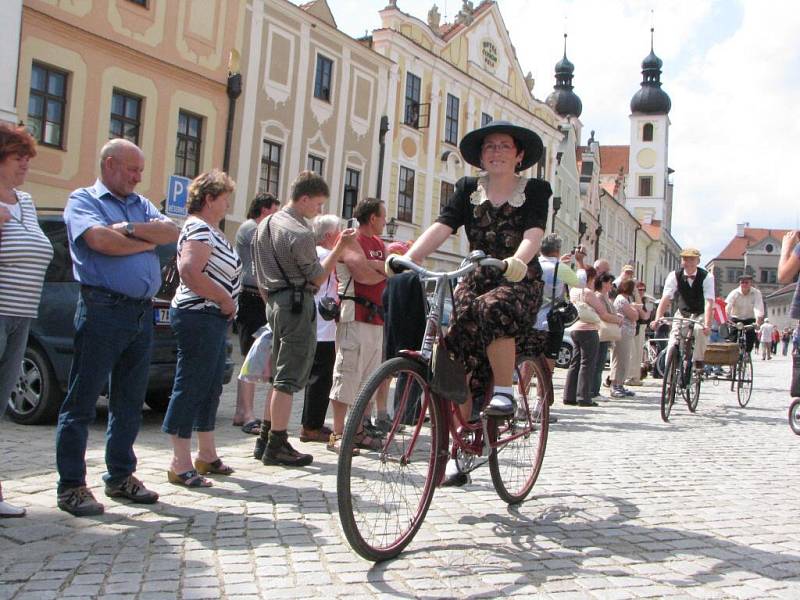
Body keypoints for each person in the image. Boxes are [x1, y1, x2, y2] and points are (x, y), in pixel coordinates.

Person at [387, 120, 551, 486]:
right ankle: (459, 444)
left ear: (519, 154)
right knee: (451, 345)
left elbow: (534, 232)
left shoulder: (536, 190)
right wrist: (407, 259)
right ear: (480, 156)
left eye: (504, 146)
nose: (496, 152)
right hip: (477, 275)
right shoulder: (467, 189)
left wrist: (519, 261)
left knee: (493, 310)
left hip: (517, 277)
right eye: (489, 147)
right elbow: (442, 226)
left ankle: (505, 392)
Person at [56, 138, 179, 516]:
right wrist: (140, 242)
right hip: (102, 309)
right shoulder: (84, 200)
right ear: (109, 164)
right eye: (132, 169)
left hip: (139, 313)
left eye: (141, 170)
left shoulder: (138, 205)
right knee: (83, 399)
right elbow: (98, 240)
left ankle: (121, 475)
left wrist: (125, 229)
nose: (138, 177)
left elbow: (170, 232)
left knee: (129, 401)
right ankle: (72, 485)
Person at [251, 171, 356, 467]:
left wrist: (272, 303)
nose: (319, 211)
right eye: (318, 204)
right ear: (305, 198)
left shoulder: (265, 225)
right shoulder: (298, 233)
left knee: (277, 374)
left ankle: (265, 437)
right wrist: (339, 248)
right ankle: (278, 444)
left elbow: (259, 275)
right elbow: (319, 277)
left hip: (273, 301)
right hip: (296, 303)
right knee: (287, 378)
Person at [162, 170, 241, 488]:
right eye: (224, 198)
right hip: (199, 315)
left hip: (213, 317)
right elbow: (189, 270)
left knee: (210, 385)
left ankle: (206, 453)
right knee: (191, 383)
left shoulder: (210, 230)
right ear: (209, 199)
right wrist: (223, 297)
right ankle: (179, 461)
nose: (227, 205)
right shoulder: (198, 228)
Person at [0, 123, 53, 518]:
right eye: (19, 158)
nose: (25, 166)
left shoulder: (26, 201)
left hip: (22, 315)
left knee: (1, 403)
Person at [327, 199, 388, 453]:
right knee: (347, 374)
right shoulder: (351, 238)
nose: (385, 221)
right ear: (372, 218)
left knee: (368, 378)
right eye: (383, 216)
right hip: (355, 314)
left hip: (375, 317)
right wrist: (382, 271)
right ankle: (338, 433)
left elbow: (382, 271)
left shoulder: (378, 244)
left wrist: (378, 269)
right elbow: (362, 274)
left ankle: (359, 430)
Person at [233, 192, 280, 434]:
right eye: (274, 211)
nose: (276, 218)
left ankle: (243, 411)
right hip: (251, 297)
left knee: (256, 355)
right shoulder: (251, 228)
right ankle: (246, 412)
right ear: (263, 210)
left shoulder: (255, 228)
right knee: (251, 355)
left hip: (258, 297)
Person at [298, 214, 340, 444]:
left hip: (318, 323)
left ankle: (312, 422)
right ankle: (311, 425)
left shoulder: (317, 253)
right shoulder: (325, 254)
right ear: (328, 235)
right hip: (323, 325)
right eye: (338, 231)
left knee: (319, 376)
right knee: (321, 377)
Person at [651, 248, 715, 374]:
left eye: (692, 259)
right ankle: (669, 379)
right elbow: (666, 297)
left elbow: (709, 302)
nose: (688, 262)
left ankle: (698, 360)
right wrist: (657, 318)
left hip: (700, 312)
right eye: (685, 259)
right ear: (681, 261)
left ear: (698, 261)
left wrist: (707, 324)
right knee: (673, 342)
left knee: (699, 330)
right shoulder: (674, 275)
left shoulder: (707, 276)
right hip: (682, 313)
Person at [564, 268, 621, 407]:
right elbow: (602, 313)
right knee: (588, 364)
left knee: (575, 363)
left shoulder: (573, 291)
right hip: (589, 329)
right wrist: (617, 319)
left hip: (575, 328)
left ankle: (569, 395)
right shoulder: (588, 293)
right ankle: (583, 396)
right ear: (590, 279)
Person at [535, 233, 581, 374]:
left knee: (529, 357)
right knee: (549, 359)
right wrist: (580, 262)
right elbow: (581, 283)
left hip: (531, 318)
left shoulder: (534, 265)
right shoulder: (560, 268)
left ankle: (522, 389)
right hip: (551, 320)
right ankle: (543, 394)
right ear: (557, 250)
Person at [610, 280, 646, 398]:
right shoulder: (622, 300)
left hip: (627, 333)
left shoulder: (625, 300)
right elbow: (635, 316)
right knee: (620, 359)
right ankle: (615, 385)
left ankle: (620, 384)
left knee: (624, 360)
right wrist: (635, 308)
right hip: (623, 333)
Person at [725, 275, 764, 353]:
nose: (744, 284)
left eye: (746, 282)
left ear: (750, 283)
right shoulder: (734, 293)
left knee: (750, 339)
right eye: (742, 282)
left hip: (750, 318)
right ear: (739, 283)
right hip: (736, 319)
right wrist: (726, 319)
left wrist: (758, 321)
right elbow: (727, 306)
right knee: (733, 339)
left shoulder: (756, 293)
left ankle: (747, 354)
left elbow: (758, 307)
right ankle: (733, 360)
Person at [625, 280, 653, 386]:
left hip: (641, 326)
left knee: (638, 354)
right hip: (631, 326)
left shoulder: (646, 300)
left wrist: (639, 308)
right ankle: (630, 376)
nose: (641, 291)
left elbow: (646, 316)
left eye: (643, 289)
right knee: (632, 353)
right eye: (639, 289)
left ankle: (635, 377)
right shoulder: (630, 298)